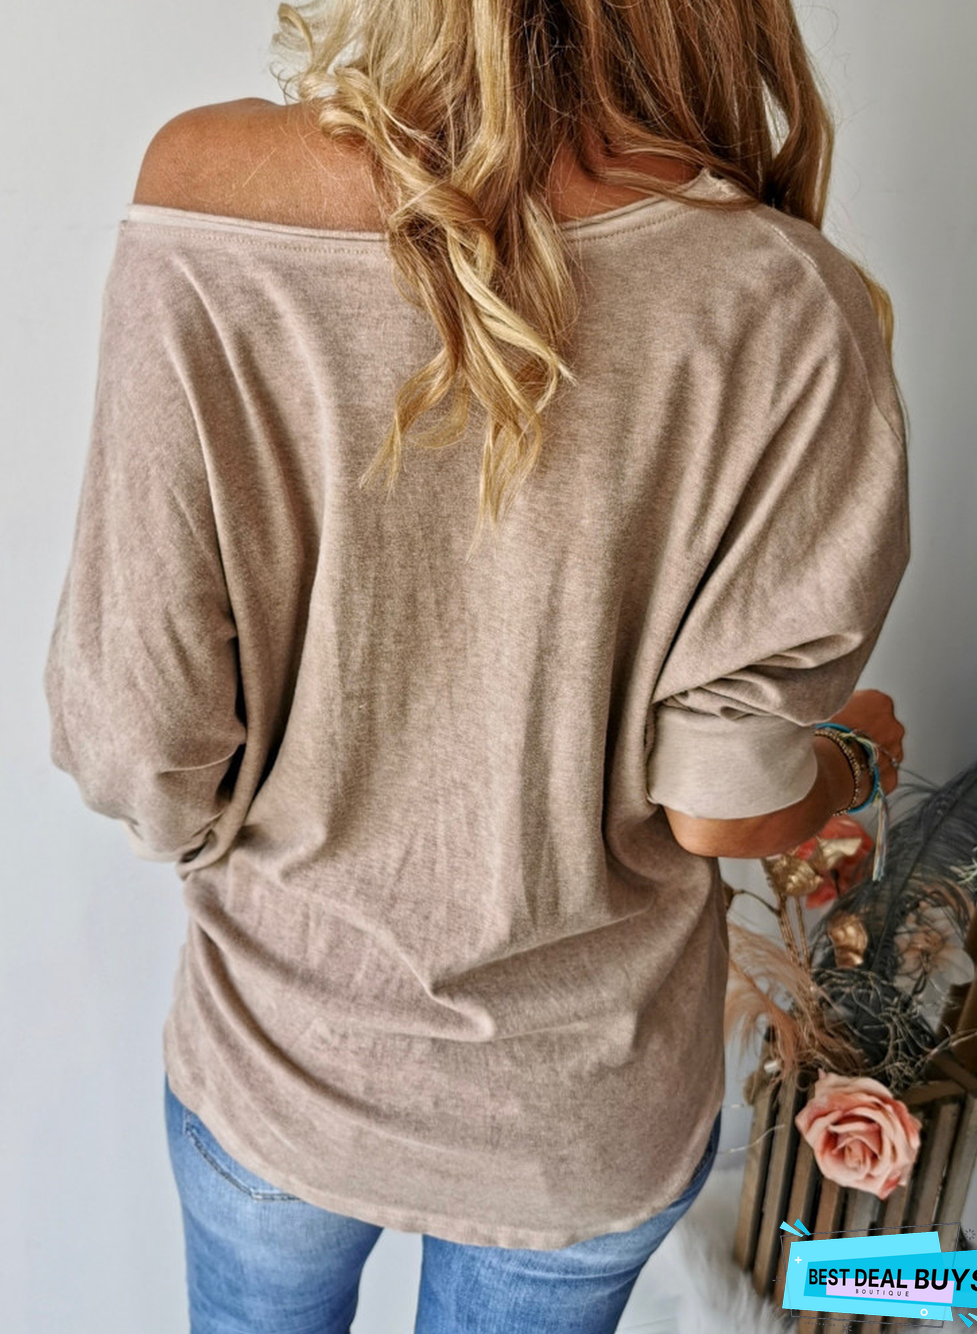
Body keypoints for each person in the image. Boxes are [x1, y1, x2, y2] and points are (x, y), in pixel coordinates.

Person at [42, 0, 908, 1330]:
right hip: (579, 1113)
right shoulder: (790, 299)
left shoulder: (205, 198)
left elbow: (134, 736)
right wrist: (855, 755)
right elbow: (721, 806)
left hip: (283, 1059)